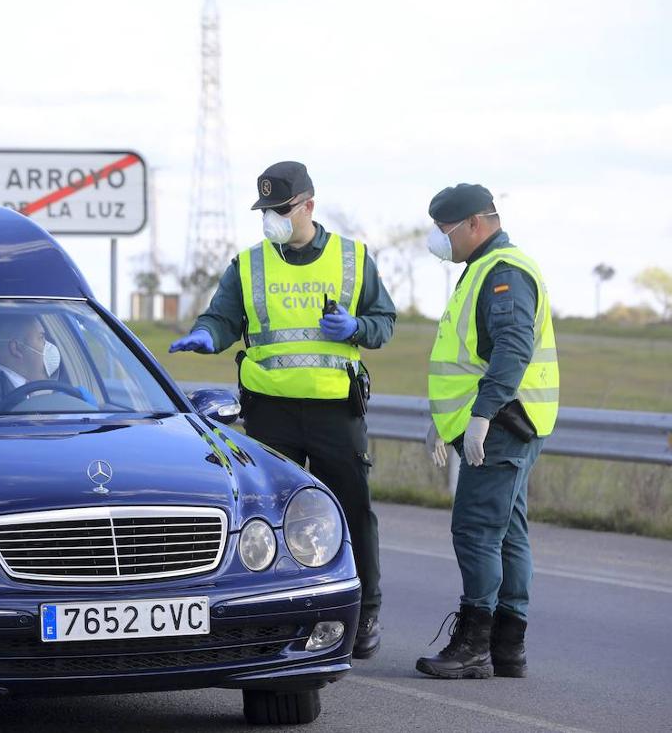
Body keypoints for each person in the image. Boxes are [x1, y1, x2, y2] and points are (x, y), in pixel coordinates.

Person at [169, 161, 396, 659]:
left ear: (309, 206)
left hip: (336, 411)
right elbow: (224, 315)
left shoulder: (353, 258)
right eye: (266, 210)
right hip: (269, 410)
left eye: (281, 208)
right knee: (268, 515)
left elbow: (384, 322)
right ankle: (279, 613)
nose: (272, 218)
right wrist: (208, 334)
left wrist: (357, 327)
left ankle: (366, 612)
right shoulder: (249, 264)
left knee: (352, 510)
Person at [415, 183, 559, 680]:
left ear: (475, 224)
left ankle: (474, 645)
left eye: (443, 230)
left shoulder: (503, 273)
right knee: (509, 533)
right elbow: (467, 358)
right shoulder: (483, 269)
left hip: (500, 423)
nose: (439, 241)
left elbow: (512, 347)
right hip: (505, 423)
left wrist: (481, 415)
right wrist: (443, 420)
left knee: (476, 530)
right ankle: (507, 647)